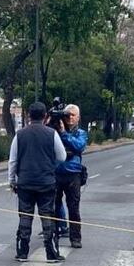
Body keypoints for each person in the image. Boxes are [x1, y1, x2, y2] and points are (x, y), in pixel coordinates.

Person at [8, 103, 67, 262]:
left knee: (25, 216)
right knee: (47, 216)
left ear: (28, 116)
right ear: (45, 117)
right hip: (46, 182)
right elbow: (62, 157)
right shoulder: (51, 133)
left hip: (25, 182)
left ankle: (22, 252)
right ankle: (51, 253)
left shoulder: (19, 135)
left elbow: (13, 161)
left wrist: (12, 180)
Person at [53, 104, 88, 249]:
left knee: (73, 208)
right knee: (53, 206)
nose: (70, 118)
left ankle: (75, 237)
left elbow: (79, 146)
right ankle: (54, 233)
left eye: (73, 115)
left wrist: (64, 134)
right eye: (68, 115)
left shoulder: (80, 133)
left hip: (73, 174)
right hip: (56, 173)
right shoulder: (56, 131)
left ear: (78, 117)